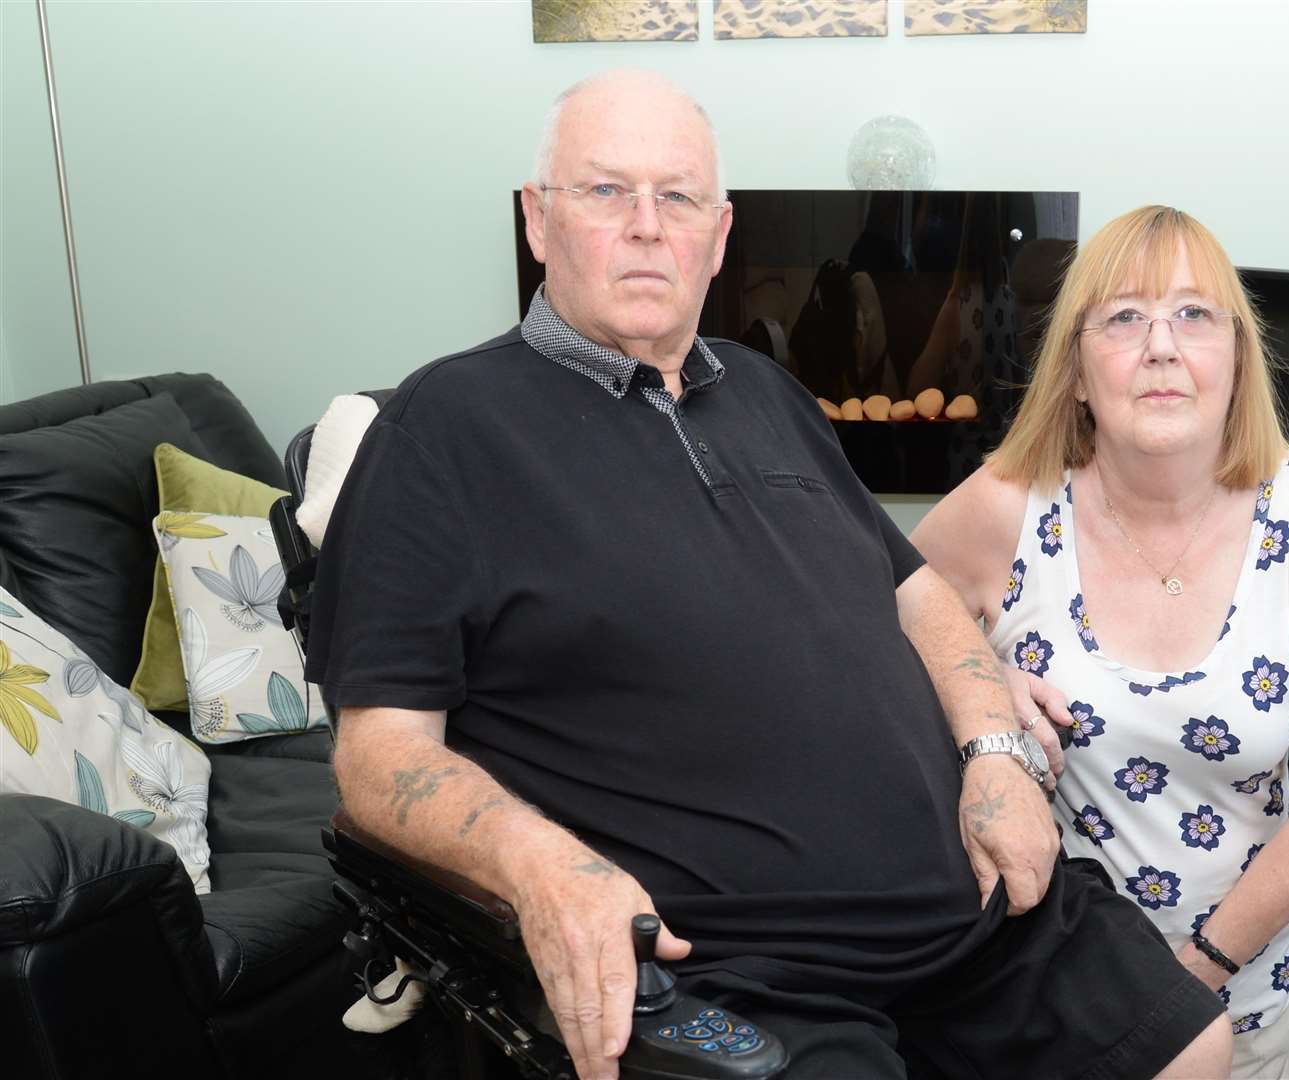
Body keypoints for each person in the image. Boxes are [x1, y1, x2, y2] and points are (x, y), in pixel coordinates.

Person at [303, 73, 1232, 1080]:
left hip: (972, 911)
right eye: (605, 192)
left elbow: (916, 595)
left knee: (1190, 1044)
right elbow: (378, 757)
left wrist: (997, 754)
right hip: (738, 964)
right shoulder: (444, 429)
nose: (648, 228)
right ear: (538, 220)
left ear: (719, 231)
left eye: (679, 197)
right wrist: (540, 870)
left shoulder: (765, 391)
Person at [912, 205, 1289, 1079]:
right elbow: (871, 621)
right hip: (1045, 990)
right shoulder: (1009, 506)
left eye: (1195, 314)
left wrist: (1185, 987)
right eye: (1124, 317)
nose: (1161, 345)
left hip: (1238, 1003)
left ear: (1236, 357)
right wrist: (984, 675)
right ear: (1078, 371)